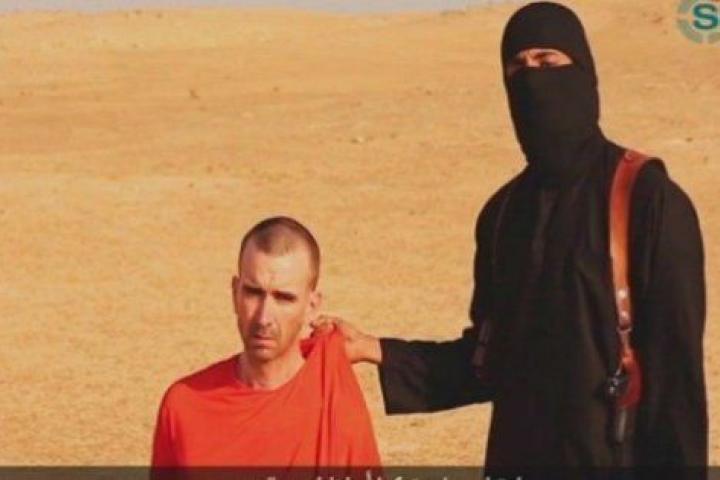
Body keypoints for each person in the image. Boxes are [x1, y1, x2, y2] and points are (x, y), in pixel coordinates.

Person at [316, 1, 707, 475]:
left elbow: (676, 389)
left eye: (547, 60)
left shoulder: (647, 200)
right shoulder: (503, 216)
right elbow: (489, 362)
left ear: (583, 73)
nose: (533, 79)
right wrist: (376, 349)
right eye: (517, 67)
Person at [151, 216, 381, 468]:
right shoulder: (185, 406)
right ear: (235, 293)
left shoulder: (336, 404)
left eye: (284, 298)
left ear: (311, 306)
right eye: (253, 293)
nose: (264, 318)